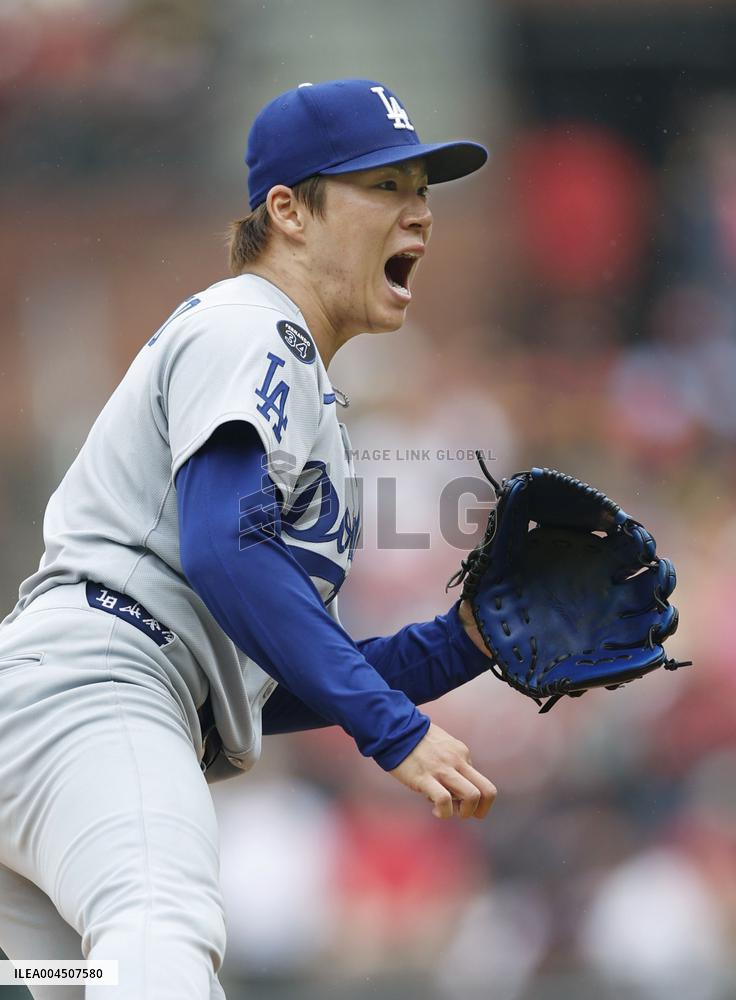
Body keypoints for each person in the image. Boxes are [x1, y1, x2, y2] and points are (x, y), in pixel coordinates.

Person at [0, 78, 496, 999]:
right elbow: (225, 550)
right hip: (102, 690)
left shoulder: (291, 377)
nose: (421, 214)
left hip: (83, 704)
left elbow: (260, 682)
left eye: (423, 189)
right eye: (384, 187)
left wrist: (456, 646)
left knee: (92, 977)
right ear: (288, 211)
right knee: (165, 927)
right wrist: (392, 730)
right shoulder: (253, 325)